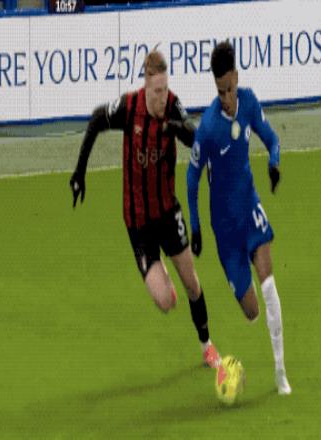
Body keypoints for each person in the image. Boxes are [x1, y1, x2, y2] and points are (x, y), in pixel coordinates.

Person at [69, 50, 221, 368]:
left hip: (167, 213)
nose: (162, 97)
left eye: (165, 89)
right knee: (165, 301)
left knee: (192, 283)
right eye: (157, 91)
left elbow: (196, 138)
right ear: (146, 85)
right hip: (137, 222)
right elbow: (96, 119)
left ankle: (207, 345)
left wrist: (177, 128)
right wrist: (80, 172)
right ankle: (161, 274)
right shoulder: (129, 107)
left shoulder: (173, 107)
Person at [187, 41, 291, 395]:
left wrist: (274, 163)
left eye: (229, 89)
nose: (226, 98)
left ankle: (280, 373)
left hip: (249, 209)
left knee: (269, 286)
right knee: (252, 312)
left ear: (236, 77)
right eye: (220, 92)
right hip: (225, 232)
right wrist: (196, 227)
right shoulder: (208, 127)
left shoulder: (248, 102)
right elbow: (191, 177)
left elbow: (272, 138)